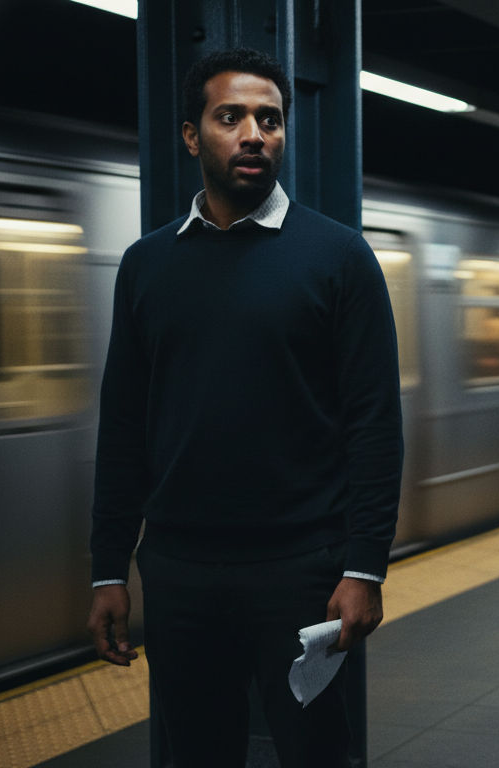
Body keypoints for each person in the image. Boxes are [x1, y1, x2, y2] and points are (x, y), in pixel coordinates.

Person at [85, 48, 402, 768]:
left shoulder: (339, 257)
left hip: (301, 572)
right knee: (194, 755)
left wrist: (365, 567)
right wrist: (109, 569)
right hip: (178, 570)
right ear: (193, 136)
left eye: (270, 119)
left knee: (319, 755)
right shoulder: (147, 265)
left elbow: (374, 423)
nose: (254, 133)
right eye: (230, 117)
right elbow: (126, 424)